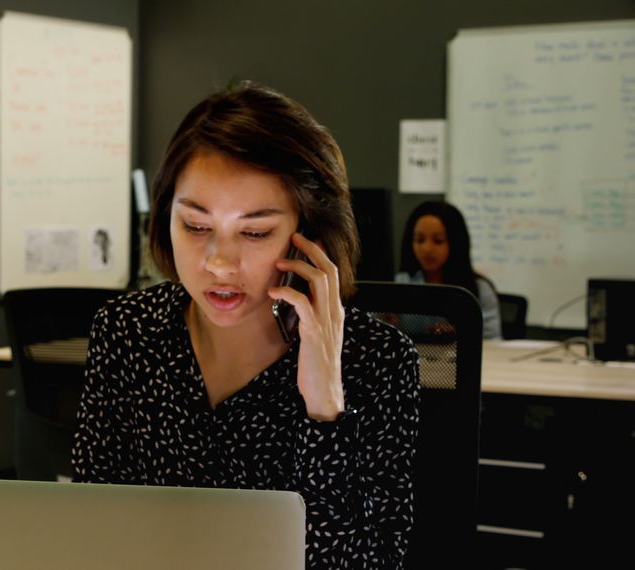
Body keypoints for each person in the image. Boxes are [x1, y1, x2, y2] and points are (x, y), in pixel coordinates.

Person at [71, 82, 420, 569]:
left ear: (308, 233)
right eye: (195, 226)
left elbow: (365, 562)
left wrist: (324, 411)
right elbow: (93, 528)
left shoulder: (376, 359)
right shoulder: (128, 332)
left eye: (255, 232)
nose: (219, 263)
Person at [395, 201, 502, 340]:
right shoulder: (398, 284)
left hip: (461, 361)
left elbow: (492, 341)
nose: (427, 249)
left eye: (438, 241)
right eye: (419, 240)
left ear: (456, 242)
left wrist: (461, 333)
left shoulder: (479, 289)